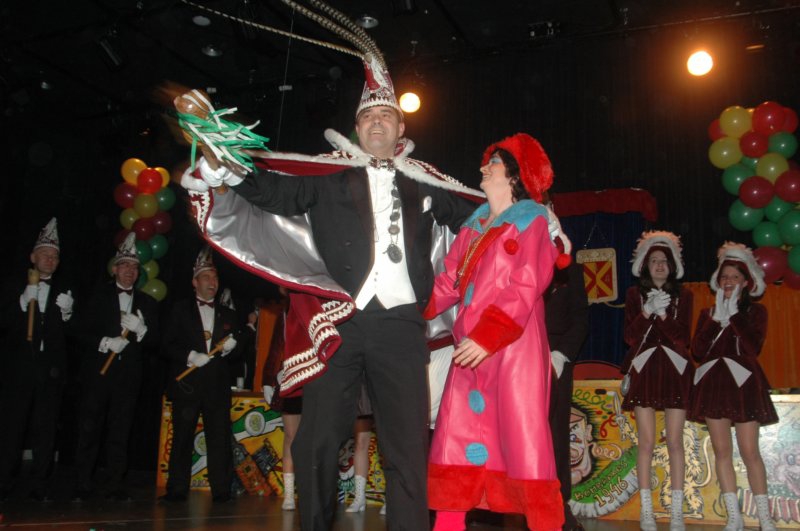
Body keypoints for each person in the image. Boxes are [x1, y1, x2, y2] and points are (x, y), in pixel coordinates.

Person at [183, 56, 479, 530]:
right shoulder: (328, 178)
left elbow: (477, 218)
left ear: (401, 126)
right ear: (356, 128)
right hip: (340, 324)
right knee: (317, 442)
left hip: (402, 327)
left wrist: (528, 220)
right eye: (367, 116)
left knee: (407, 449)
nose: (376, 122)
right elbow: (275, 193)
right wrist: (228, 168)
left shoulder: (424, 180)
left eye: (385, 115)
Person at [423, 133, 567, 531]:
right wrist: (404, 310)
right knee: (455, 442)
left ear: (515, 176)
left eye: (494, 164)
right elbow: (447, 283)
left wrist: (488, 336)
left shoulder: (532, 220)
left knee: (523, 444)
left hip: (513, 349)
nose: (483, 168)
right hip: (469, 352)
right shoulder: (473, 228)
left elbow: (527, 283)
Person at [688, 242, 777, 531]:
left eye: (735, 277)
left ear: (746, 282)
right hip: (714, 385)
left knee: (750, 452)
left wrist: (734, 315)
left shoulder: (756, 312)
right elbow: (698, 351)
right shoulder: (708, 313)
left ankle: (765, 519)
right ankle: (734, 518)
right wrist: (716, 320)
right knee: (722, 451)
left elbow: (752, 347)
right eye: (724, 276)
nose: (728, 281)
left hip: (744, 385)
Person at [71, 232, 158, 501]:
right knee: (90, 427)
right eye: (125, 266)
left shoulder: (147, 302)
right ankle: (82, 482)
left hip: (128, 376)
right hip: (98, 373)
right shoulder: (97, 297)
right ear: (115, 269)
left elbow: (157, 342)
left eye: (134, 267)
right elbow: (77, 330)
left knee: (121, 430)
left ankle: (115, 483)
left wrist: (142, 330)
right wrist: (105, 342)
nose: (130, 271)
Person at [620, 231, 693, 531]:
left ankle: (676, 512)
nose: (660, 265)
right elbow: (629, 337)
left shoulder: (685, 296)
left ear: (673, 265)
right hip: (646, 370)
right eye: (654, 261)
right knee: (646, 443)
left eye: (664, 260)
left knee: (675, 442)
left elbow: (683, 338)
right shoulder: (633, 295)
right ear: (645, 266)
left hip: (675, 371)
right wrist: (647, 312)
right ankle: (647, 511)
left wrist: (663, 316)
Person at [0, 218, 74, 502]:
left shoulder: (64, 290)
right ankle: (4, 480)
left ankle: (40, 483)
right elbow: (4, 322)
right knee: (12, 425)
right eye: (45, 254)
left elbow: (77, 333)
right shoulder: (12, 285)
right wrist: (22, 301)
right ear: (33, 257)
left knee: (45, 427)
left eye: (54, 256)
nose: (50, 260)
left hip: (50, 369)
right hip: (18, 367)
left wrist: (68, 314)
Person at [161, 247, 241, 503]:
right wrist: (190, 355)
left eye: (215, 277)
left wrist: (232, 349)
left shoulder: (228, 314)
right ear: (195, 282)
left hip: (217, 386)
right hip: (188, 384)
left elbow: (239, 355)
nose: (212, 282)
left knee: (219, 438)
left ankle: (222, 489)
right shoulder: (180, 309)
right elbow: (165, 344)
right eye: (206, 277)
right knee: (182, 438)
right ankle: (177, 489)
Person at [545, 259, 589, 531]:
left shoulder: (570, 270)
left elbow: (580, 318)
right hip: (520, 355)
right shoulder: (519, 261)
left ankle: (559, 504)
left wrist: (561, 355)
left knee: (556, 434)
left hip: (557, 358)